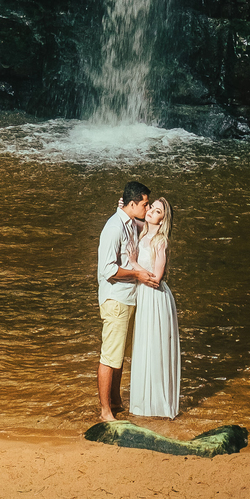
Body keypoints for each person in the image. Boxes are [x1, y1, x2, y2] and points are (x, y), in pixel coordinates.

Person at [96, 180, 158, 421]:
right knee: (109, 356)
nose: (147, 207)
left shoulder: (130, 222)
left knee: (119, 355)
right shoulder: (114, 228)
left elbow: (150, 225)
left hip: (127, 298)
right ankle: (105, 412)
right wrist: (137, 275)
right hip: (116, 298)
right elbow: (108, 270)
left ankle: (115, 401)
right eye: (145, 204)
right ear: (132, 204)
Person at [126, 196, 180, 418]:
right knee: (143, 345)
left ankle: (158, 405)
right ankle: (142, 404)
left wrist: (134, 264)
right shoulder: (143, 232)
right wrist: (124, 206)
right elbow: (131, 219)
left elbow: (156, 279)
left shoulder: (160, 241)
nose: (150, 211)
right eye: (151, 207)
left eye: (157, 211)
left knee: (155, 346)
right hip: (143, 295)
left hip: (155, 297)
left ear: (163, 219)